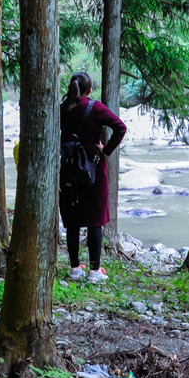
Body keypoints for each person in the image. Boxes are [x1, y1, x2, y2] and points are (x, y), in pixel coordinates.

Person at [60, 71, 126, 284]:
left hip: (68, 170)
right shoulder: (94, 107)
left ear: (71, 87)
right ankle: (94, 271)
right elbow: (120, 127)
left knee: (72, 220)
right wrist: (106, 149)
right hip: (93, 170)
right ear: (89, 90)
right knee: (95, 220)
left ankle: (74, 269)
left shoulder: (62, 108)